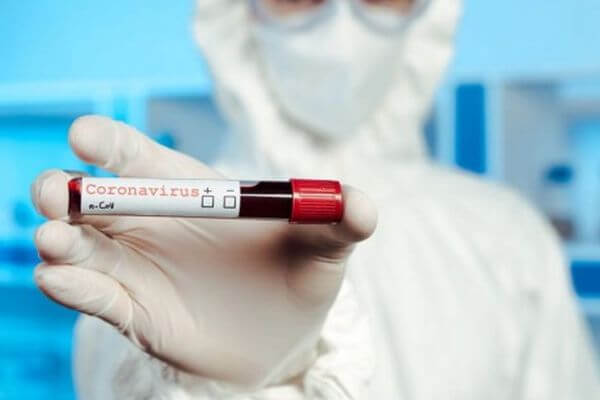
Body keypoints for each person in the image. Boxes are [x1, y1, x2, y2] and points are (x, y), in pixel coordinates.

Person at [30, 0, 600, 398]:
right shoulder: (154, 240)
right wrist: (209, 386)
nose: (341, 26)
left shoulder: (508, 235)